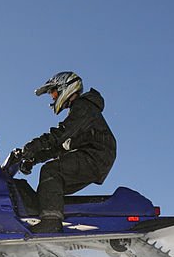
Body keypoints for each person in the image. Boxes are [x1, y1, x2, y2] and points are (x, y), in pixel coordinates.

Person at [15, 71, 117, 233]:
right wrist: (33, 159)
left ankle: (51, 221)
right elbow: (59, 147)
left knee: (51, 171)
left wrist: (31, 147)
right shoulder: (81, 111)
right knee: (49, 188)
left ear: (66, 87)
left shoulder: (83, 107)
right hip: (94, 155)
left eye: (53, 92)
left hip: (95, 155)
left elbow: (60, 134)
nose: (53, 98)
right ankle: (49, 218)